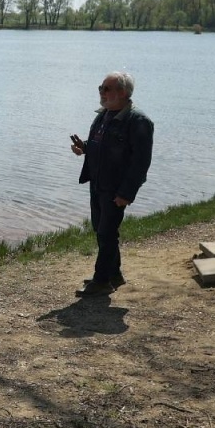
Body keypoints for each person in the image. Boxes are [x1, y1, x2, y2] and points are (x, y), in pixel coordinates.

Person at [70, 71, 154, 296]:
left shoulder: (138, 122)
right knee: (101, 230)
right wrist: (84, 148)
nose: (101, 92)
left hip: (116, 189)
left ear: (123, 93)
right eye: (101, 88)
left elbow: (140, 163)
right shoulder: (104, 115)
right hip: (98, 184)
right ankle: (114, 274)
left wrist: (127, 193)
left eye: (106, 89)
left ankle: (101, 281)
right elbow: (103, 145)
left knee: (107, 232)